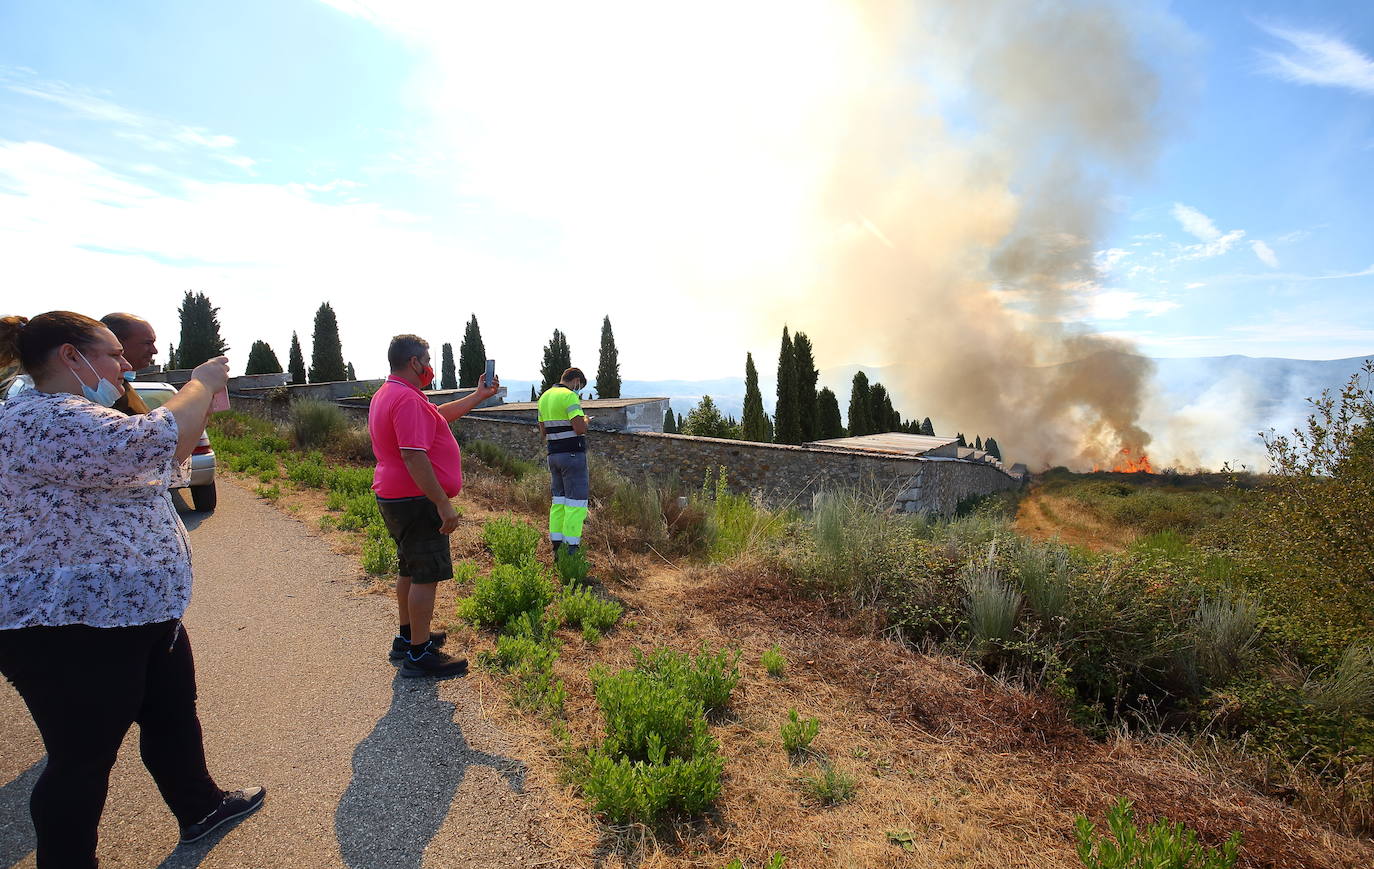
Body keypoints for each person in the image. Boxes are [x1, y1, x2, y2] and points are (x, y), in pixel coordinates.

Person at [0, 311, 264, 868]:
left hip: (136, 612)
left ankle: (200, 806)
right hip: (71, 625)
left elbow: (166, 464)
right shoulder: (41, 418)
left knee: (172, 713)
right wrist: (202, 383)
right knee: (81, 760)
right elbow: (152, 443)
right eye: (114, 355)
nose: (124, 366)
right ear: (71, 357)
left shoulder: (78, 413)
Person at [368, 334, 500, 677]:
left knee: (409, 569)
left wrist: (478, 396)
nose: (428, 366)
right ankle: (419, 654)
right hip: (416, 499)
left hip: (395, 496)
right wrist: (442, 503)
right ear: (414, 362)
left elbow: (438, 417)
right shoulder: (408, 400)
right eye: (426, 360)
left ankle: (408, 636)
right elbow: (414, 455)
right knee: (426, 575)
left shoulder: (392, 393)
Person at [537, 367, 590, 557]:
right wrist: (585, 420)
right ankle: (572, 549)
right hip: (573, 456)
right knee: (576, 503)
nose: (579, 390)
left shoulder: (544, 397)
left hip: (553, 456)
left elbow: (543, 432)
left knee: (558, 501)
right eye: (580, 386)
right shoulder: (569, 397)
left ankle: (557, 544)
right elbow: (579, 429)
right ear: (575, 381)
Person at [100, 312, 158, 415]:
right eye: (147, 343)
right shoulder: (103, 394)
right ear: (116, 343)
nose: (154, 351)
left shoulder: (120, 386)